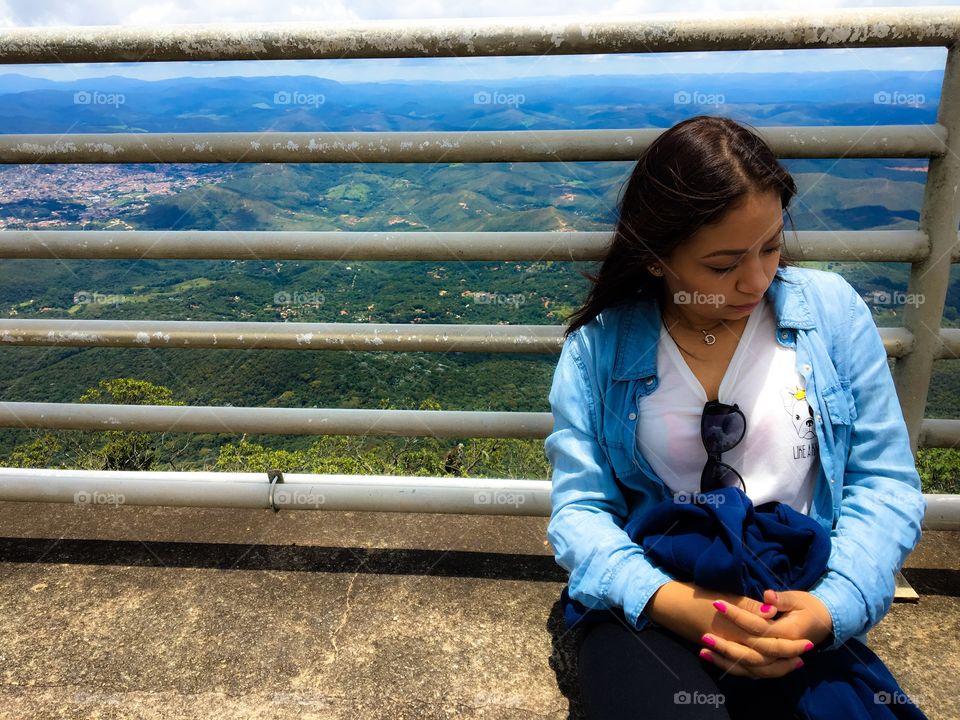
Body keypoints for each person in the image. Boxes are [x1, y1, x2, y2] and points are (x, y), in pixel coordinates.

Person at [544, 115, 927, 719]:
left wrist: (831, 607)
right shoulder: (598, 350)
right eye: (722, 266)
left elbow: (884, 483)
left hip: (795, 588)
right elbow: (582, 510)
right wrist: (679, 603)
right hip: (658, 596)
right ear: (653, 258)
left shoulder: (832, 317)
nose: (756, 280)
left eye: (771, 247)